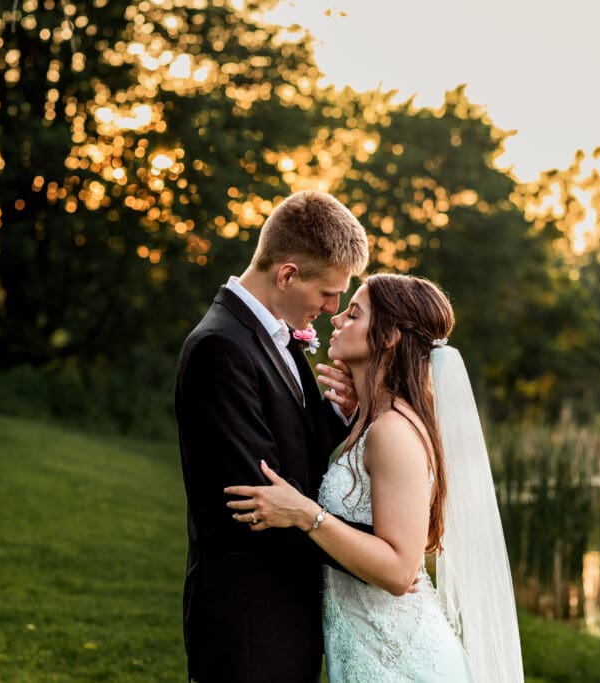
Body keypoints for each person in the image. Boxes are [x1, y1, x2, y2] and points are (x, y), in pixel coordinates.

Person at [225, 273, 525, 683]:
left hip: (400, 662)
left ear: (388, 338)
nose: (336, 319)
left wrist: (305, 515)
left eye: (354, 313)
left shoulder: (392, 432)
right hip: (367, 652)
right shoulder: (375, 423)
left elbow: (400, 571)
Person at [175, 190, 371, 682]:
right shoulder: (220, 347)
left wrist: (342, 414)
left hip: (284, 608)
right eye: (328, 293)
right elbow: (260, 498)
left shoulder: (271, 334)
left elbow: (293, 449)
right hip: (248, 618)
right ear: (287, 274)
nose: (332, 308)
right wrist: (378, 557)